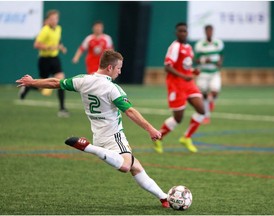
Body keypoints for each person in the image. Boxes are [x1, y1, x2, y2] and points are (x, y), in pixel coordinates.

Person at [16, 50, 170, 208]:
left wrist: (33, 82)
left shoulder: (83, 80)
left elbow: (56, 82)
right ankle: (88, 147)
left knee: (135, 166)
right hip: (114, 136)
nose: (120, 71)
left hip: (99, 135)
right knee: (125, 165)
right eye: (119, 68)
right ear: (110, 68)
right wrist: (151, 129)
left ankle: (164, 198)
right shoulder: (112, 88)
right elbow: (130, 111)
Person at [153, 22, 205, 154]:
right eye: (180, 31)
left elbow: (185, 66)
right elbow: (167, 66)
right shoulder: (174, 47)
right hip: (176, 85)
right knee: (178, 118)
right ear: (176, 33)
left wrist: (193, 71)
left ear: (187, 33)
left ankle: (186, 137)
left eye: (184, 31)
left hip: (189, 84)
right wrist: (183, 75)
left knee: (201, 110)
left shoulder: (189, 47)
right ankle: (159, 137)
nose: (182, 33)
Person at [19, 10, 69, 117]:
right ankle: (27, 87)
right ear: (48, 20)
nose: (54, 21)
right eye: (51, 19)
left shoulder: (59, 28)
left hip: (55, 58)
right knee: (41, 86)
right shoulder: (45, 30)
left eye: (55, 18)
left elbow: (57, 41)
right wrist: (48, 47)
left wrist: (61, 47)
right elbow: (36, 45)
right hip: (44, 60)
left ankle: (62, 109)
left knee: (61, 81)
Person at [194, 25, 224, 124]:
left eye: (211, 31)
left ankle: (211, 101)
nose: (209, 33)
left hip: (214, 72)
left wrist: (219, 63)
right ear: (205, 31)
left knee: (214, 92)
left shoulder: (218, 43)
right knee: (203, 95)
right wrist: (204, 60)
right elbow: (196, 59)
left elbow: (221, 55)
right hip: (203, 73)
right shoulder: (200, 44)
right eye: (207, 31)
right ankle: (206, 115)